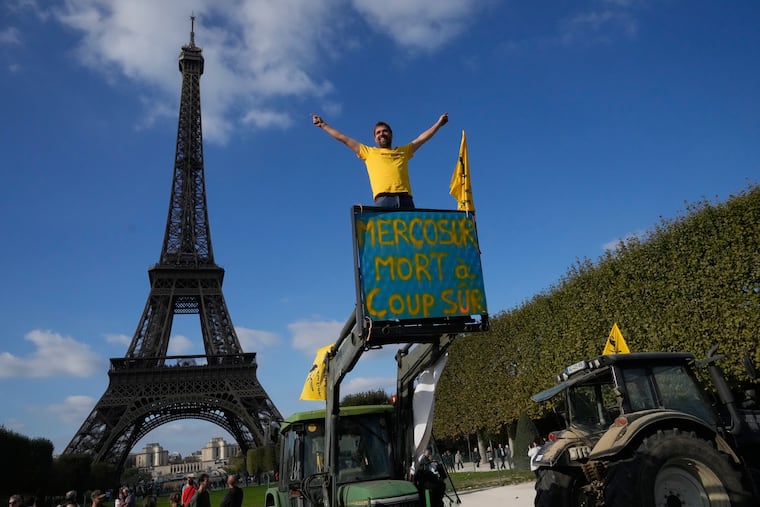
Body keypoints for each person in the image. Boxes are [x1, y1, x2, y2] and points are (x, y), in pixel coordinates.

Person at [311, 112, 449, 209]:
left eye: (384, 131)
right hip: (383, 201)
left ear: (391, 134)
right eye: (378, 132)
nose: (381, 134)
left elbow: (422, 138)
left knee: (410, 243)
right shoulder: (368, 152)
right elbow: (343, 138)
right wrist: (323, 125)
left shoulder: (403, 151)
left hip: (406, 200)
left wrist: (438, 124)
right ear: (375, 138)